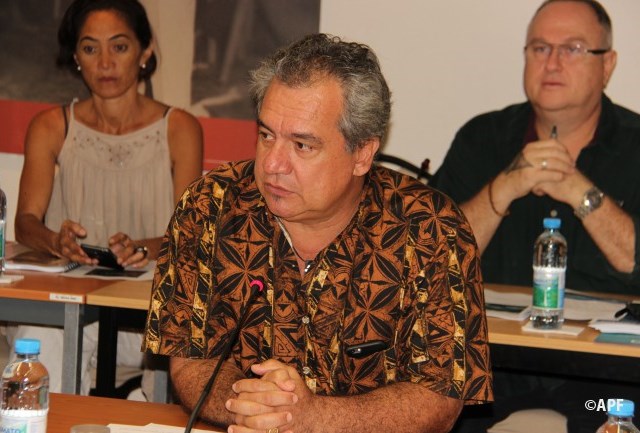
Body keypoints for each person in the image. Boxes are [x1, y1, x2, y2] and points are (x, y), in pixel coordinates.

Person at [143, 33, 493, 432]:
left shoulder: (431, 228)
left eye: (302, 146)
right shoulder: (210, 206)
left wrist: (312, 418)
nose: (272, 164)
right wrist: (248, 405)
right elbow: (191, 359)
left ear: (362, 153)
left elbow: (441, 397)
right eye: (266, 136)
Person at [431, 0, 640, 431]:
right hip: (491, 361)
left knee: (618, 420)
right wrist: (505, 186)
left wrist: (581, 193)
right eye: (540, 48)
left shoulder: (636, 144)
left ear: (608, 65)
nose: (553, 62)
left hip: (609, 372)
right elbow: (429, 257)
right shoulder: (482, 137)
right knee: (428, 411)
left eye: (573, 49)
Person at [8, 0, 203, 396]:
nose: (105, 63)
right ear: (75, 57)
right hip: (68, 304)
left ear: (145, 51)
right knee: (42, 341)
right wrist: (56, 241)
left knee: (175, 351)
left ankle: (137, 405)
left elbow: (190, 235)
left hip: (143, 312)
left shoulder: (179, 128)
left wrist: (142, 249)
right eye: (90, 48)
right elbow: (25, 223)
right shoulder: (51, 126)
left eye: (119, 46)